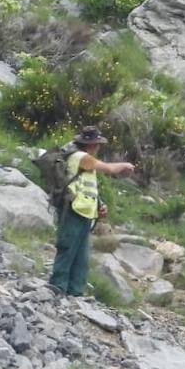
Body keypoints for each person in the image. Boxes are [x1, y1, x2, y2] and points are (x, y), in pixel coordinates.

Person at [48, 126, 135, 297]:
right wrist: (125, 165)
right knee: (67, 248)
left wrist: (99, 205)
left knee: (81, 256)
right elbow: (109, 169)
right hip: (72, 210)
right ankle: (58, 286)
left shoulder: (86, 161)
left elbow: (87, 187)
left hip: (84, 212)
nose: (98, 147)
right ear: (90, 144)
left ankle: (75, 290)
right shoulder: (80, 157)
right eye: (97, 144)